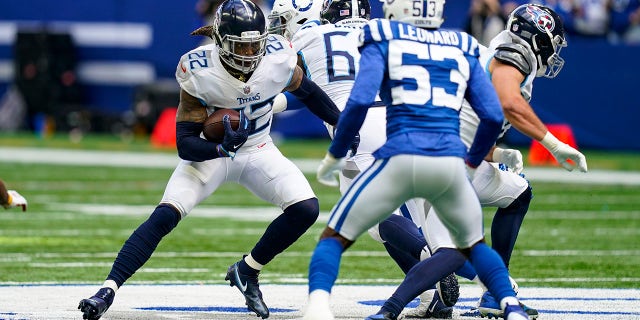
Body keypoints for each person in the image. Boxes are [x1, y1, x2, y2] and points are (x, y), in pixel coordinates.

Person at [77, 0, 345, 319]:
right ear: (220, 42)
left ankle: (248, 270)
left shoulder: (278, 55)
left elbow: (309, 92)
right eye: (240, 47)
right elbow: (185, 144)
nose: (249, 54)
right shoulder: (199, 69)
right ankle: (107, 289)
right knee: (165, 215)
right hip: (211, 152)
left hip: (259, 148)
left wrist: (343, 124)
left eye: (253, 46)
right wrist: (220, 149)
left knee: (306, 208)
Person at [302, 0, 532, 319]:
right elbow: (492, 116)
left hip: (393, 146)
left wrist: (336, 151)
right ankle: (508, 302)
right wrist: (480, 157)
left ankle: (333, 308)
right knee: (469, 243)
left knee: (347, 230)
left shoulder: (377, 39)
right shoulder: (461, 43)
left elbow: (355, 103)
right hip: (444, 152)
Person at [381, 3, 588, 319]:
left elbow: (473, 125)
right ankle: (486, 288)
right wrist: (553, 144)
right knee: (449, 255)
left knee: (518, 192)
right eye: (552, 41)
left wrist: (499, 153)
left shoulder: (496, 52)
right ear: (537, 37)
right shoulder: (513, 55)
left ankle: (491, 292)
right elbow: (509, 102)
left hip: (454, 158)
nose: (553, 51)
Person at [269, 1, 459, 316]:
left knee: (373, 218)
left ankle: (434, 258)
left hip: (360, 127)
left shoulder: (311, 35)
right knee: (398, 213)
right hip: (405, 120)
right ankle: (431, 300)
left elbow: (298, 86)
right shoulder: (389, 32)